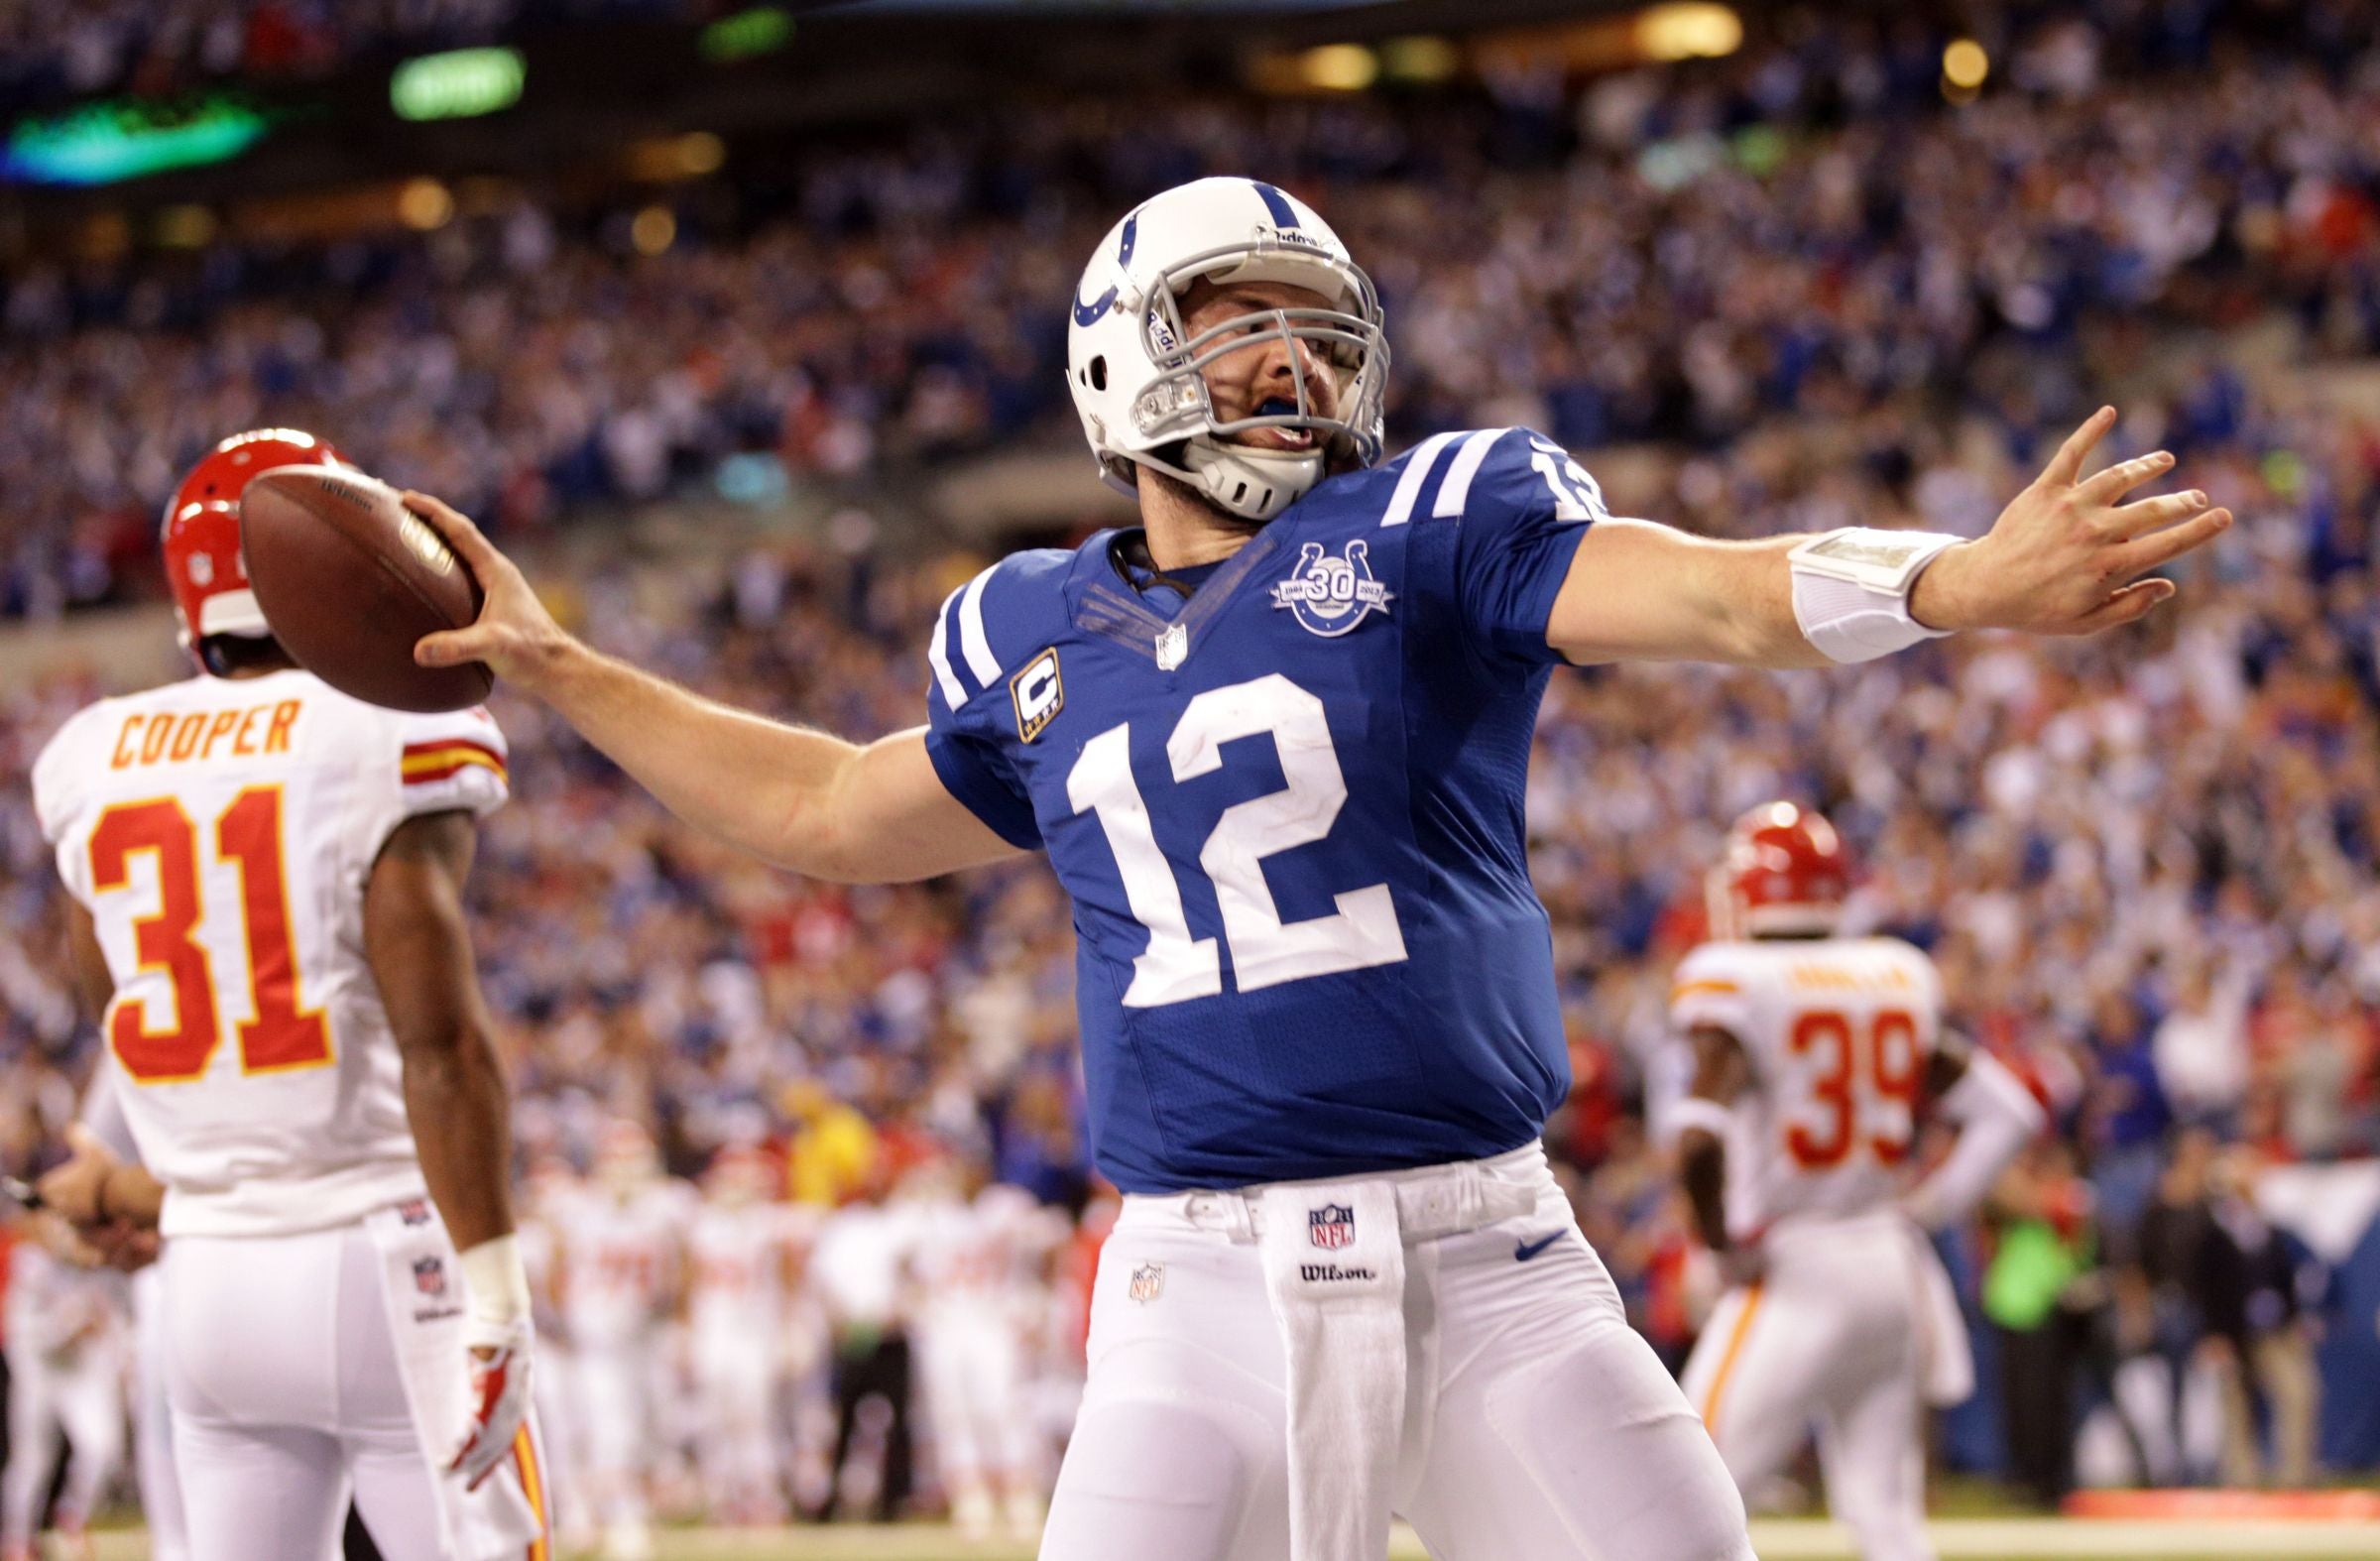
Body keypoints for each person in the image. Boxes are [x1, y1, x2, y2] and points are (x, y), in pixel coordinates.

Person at [401, 177, 2230, 1559]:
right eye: (1234, 320)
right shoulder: (1033, 629)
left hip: (1494, 1255)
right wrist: (566, 668)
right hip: (1195, 1281)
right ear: (1123, 358)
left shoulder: (1437, 523)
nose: (1289, 360)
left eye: (1313, 323)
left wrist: (1950, 585)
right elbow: (821, 808)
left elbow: (1726, 594)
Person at [29, 430, 548, 1561]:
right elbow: (443, 1043)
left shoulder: (89, 756)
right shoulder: (388, 725)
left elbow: (126, 1012)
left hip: (210, 1289)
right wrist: (497, 1292)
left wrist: (129, 1180)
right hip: (388, 1262)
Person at [1665, 802, 2046, 1561]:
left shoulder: (1734, 979)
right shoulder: (1893, 973)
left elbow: (1698, 1142)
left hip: (1795, 1265)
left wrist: (1716, 1245)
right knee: (1887, 1515)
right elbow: (2010, 1111)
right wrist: (1930, 1205)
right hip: (1888, 1261)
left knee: (1681, 1493)